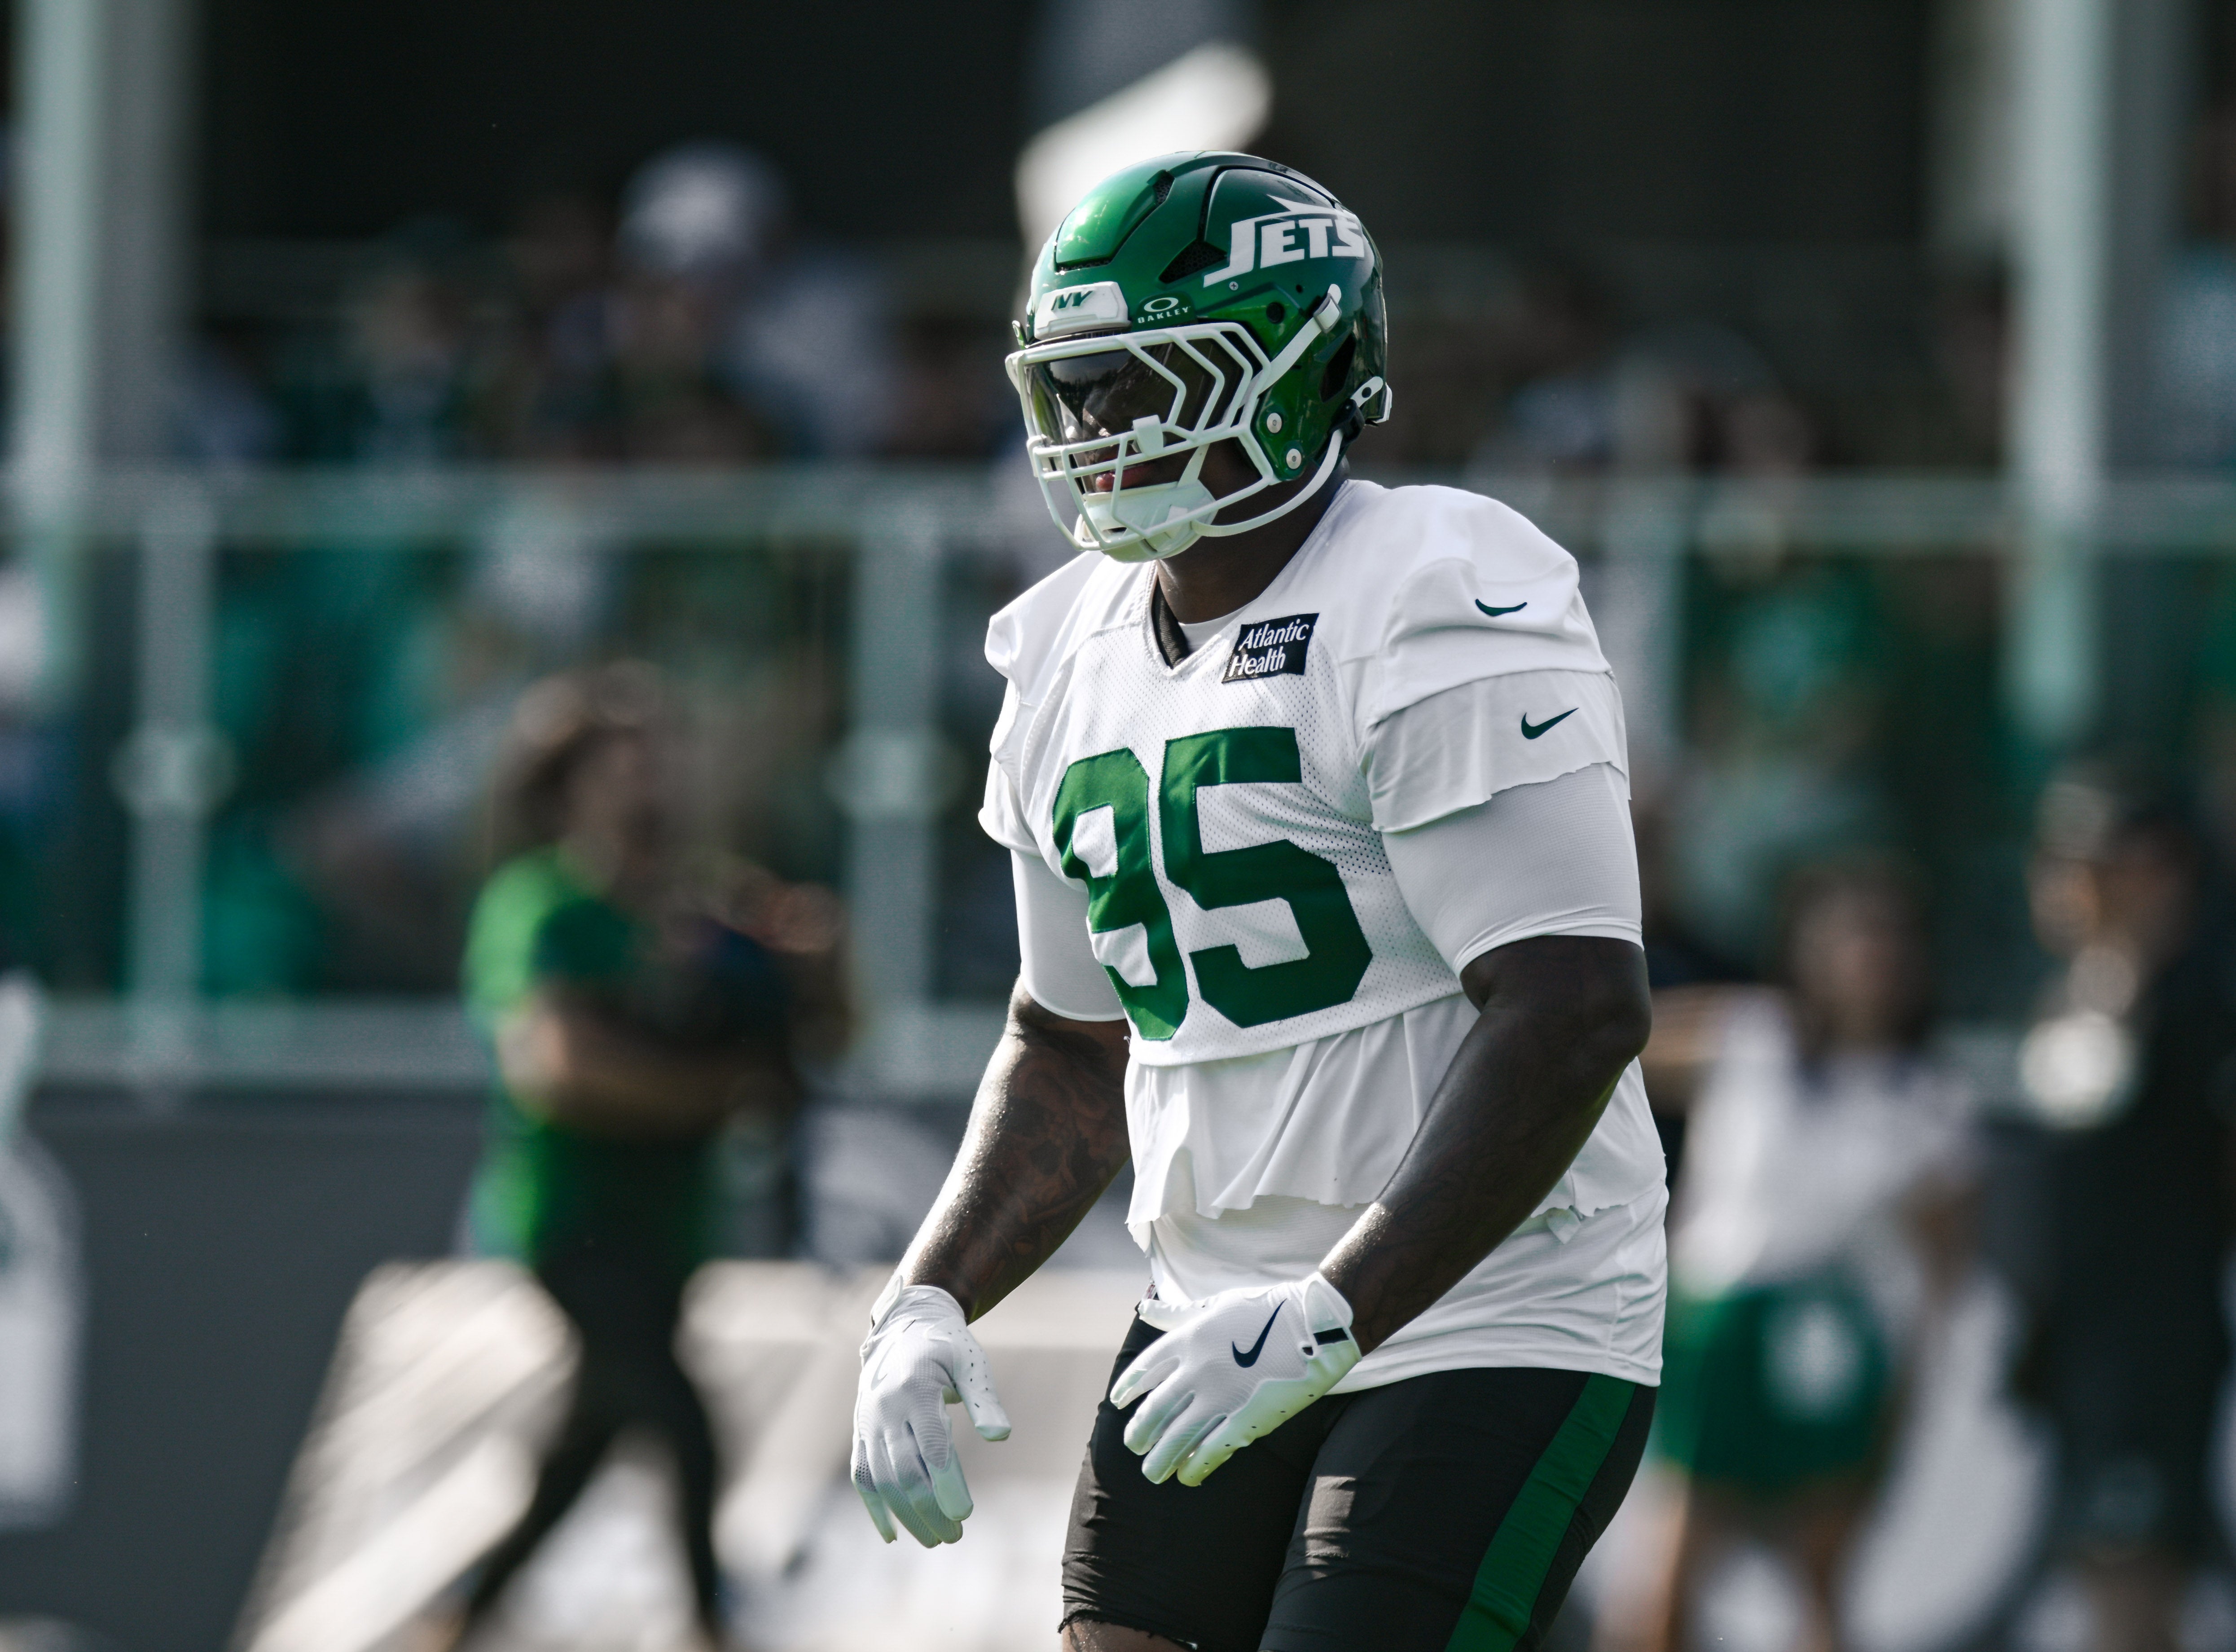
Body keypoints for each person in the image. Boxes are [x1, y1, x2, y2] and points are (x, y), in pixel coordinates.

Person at [850, 153, 1668, 1652]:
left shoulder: (1433, 581)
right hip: (1206, 1306)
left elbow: (1571, 1009)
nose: (1094, 430)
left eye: (1143, 382)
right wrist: (925, 1299)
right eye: (1074, 389)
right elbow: (1071, 1043)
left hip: (1483, 1308)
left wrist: (1336, 1310)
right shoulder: (1061, 649)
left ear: (1299, 369)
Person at [432, 664, 804, 1649]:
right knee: (680, 1421)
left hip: (670, 1221)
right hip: (569, 1219)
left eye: (659, 759)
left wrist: (805, 967)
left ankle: (454, 1621)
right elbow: (556, 1070)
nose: (650, 783)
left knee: (587, 1438)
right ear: (566, 786)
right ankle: (709, 1626)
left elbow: (825, 1032)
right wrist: (713, 1087)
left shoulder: (709, 915)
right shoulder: (540, 906)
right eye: (621, 764)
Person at [1598, 863, 1973, 1652]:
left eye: (1887, 938)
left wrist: (1913, 1394)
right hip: (1717, 1336)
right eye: (1849, 934)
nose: (1869, 955)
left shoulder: (1929, 1100)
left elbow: (1942, 1278)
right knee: (1662, 1588)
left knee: (1819, 1581)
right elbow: (1596, 1045)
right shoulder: (1747, 1035)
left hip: (1831, 1354)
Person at [2002, 762, 2236, 1652]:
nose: (2066, 883)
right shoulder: (2072, 993)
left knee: (2133, 1586)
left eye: (2093, 862)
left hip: (2160, 1359)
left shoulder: (2198, 1004)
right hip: (2080, 1355)